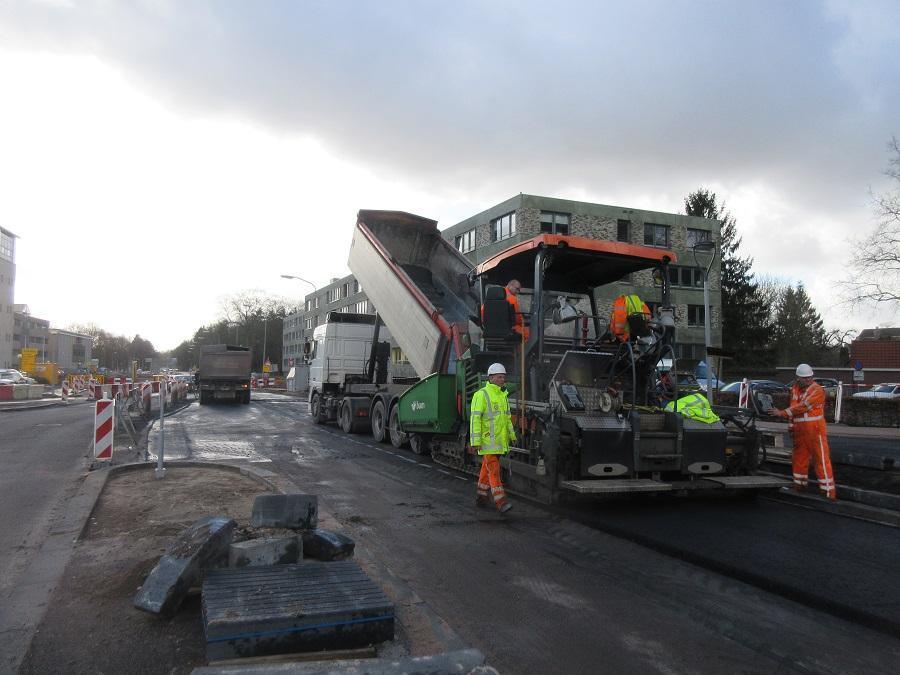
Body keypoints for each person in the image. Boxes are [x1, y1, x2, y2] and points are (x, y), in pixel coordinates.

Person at [773, 363, 836, 500]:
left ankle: (828, 492)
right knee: (799, 458)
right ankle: (800, 486)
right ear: (798, 378)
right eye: (805, 378)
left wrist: (782, 413)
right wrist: (791, 427)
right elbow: (794, 408)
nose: (808, 380)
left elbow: (802, 407)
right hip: (800, 430)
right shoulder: (795, 389)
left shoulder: (817, 390)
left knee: (821, 459)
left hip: (815, 429)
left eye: (809, 377)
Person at [471, 362, 516, 513]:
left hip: (498, 442)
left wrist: (512, 435)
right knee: (494, 470)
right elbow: (475, 419)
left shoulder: (503, 396)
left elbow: (507, 419)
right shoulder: (481, 395)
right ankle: (501, 502)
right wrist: (475, 441)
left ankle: (481, 496)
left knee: (487, 469)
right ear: (490, 378)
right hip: (487, 442)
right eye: (499, 377)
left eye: (503, 377)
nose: (502, 379)